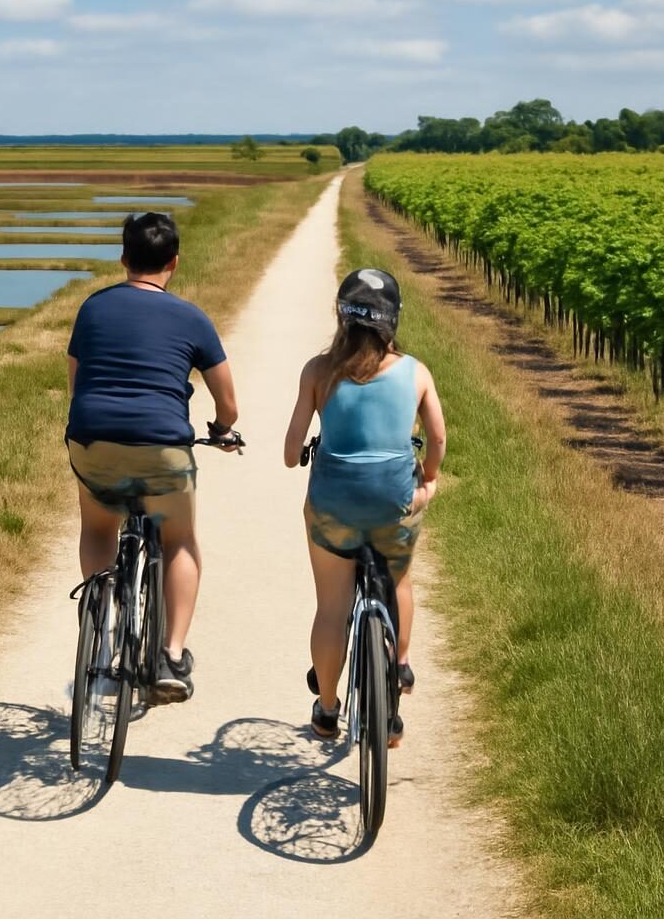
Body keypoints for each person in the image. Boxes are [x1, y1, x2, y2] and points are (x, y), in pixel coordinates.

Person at [66, 211, 240, 703]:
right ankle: (170, 656)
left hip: (92, 437)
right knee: (179, 539)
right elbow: (227, 401)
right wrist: (222, 430)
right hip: (162, 447)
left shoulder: (93, 308)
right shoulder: (191, 317)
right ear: (175, 263)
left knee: (100, 525)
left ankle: (101, 621)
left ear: (123, 258)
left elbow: (77, 383)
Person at [283, 268, 446, 743]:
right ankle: (399, 667)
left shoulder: (318, 371)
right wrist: (429, 480)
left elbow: (291, 454)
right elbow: (436, 438)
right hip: (393, 500)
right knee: (398, 578)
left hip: (333, 504)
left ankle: (329, 709)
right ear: (391, 319)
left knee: (332, 606)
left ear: (342, 316)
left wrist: (306, 447)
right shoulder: (415, 371)